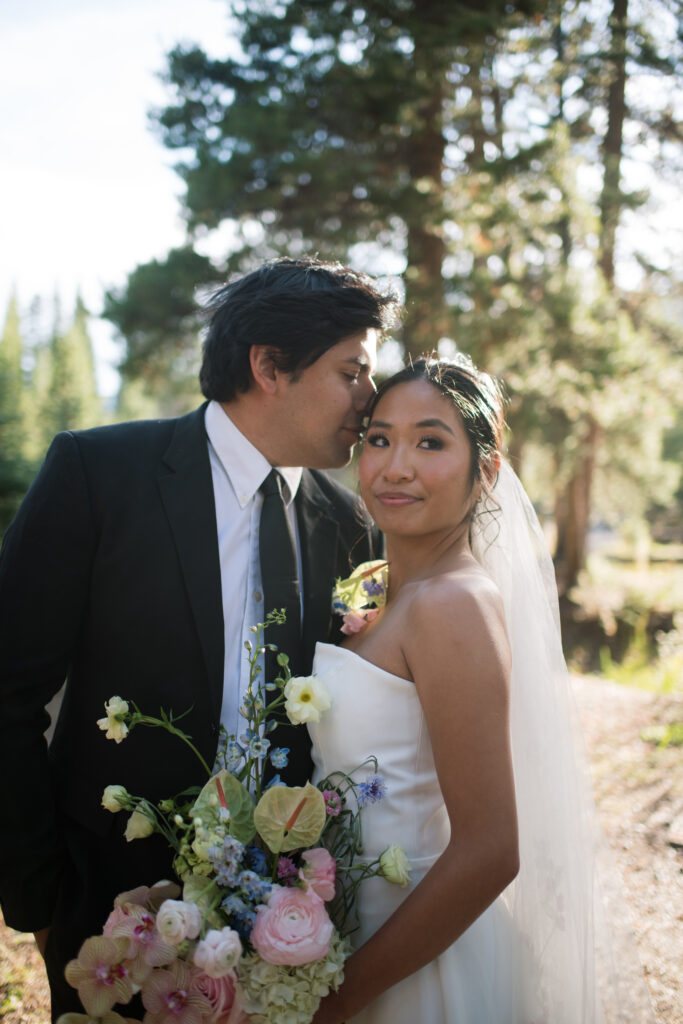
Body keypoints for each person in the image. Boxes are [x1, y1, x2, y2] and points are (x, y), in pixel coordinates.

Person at [0, 256, 399, 1022]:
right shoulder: (96, 475)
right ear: (269, 365)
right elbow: (6, 693)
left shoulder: (350, 526)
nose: (369, 399)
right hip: (109, 922)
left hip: (288, 931)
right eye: (352, 371)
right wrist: (41, 900)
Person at [308, 357, 651, 1023]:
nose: (394, 466)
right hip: (341, 930)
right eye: (378, 438)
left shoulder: (450, 605)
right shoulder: (381, 591)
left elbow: (490, 849)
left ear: (486, 470)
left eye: (430, 442)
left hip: (409, 965)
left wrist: (339, 998)